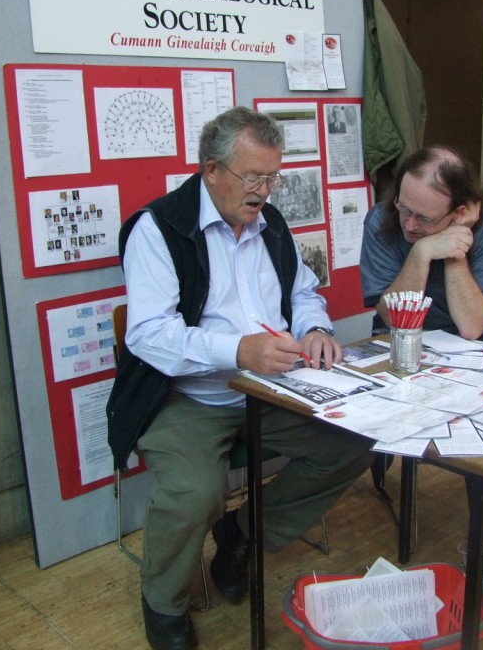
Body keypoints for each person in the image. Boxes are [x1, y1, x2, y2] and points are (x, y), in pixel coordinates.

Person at [110, 106, 373, 650]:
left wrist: (316, 328)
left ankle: (244, 534)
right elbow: (148, 335)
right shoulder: (157, 230)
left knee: (356, 441)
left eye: (273, 177)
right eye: (253, 178)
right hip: (184, 396)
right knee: (195, 492)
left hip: (270, 387)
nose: (264, 192)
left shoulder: (269, 223)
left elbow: (301, 292)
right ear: (211, 171)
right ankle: (164, 606)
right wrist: (238, 350)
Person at [359, 145, 483, 616]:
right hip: (408, 331)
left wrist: (454, 252)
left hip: (479, 325)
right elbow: (392, 315)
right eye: (403, 208)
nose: (408, 223)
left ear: (460, 212)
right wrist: (426, 247)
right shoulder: (383, 221)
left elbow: (473, 325)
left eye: (425, 219)